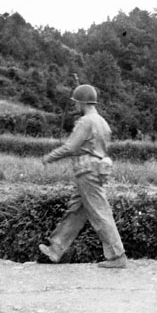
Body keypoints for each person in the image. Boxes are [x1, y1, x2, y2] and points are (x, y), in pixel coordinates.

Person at [38, 84, 127, 268]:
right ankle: (55, 249)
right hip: (96, 171)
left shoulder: (85, 122)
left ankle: (117, 256)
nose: (75, 106)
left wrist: (49, 157)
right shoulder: (102, 122)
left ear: (80, 102)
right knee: (76, 212)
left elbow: (71, 147)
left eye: (76, 102)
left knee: (100, 213)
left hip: (87, 172)